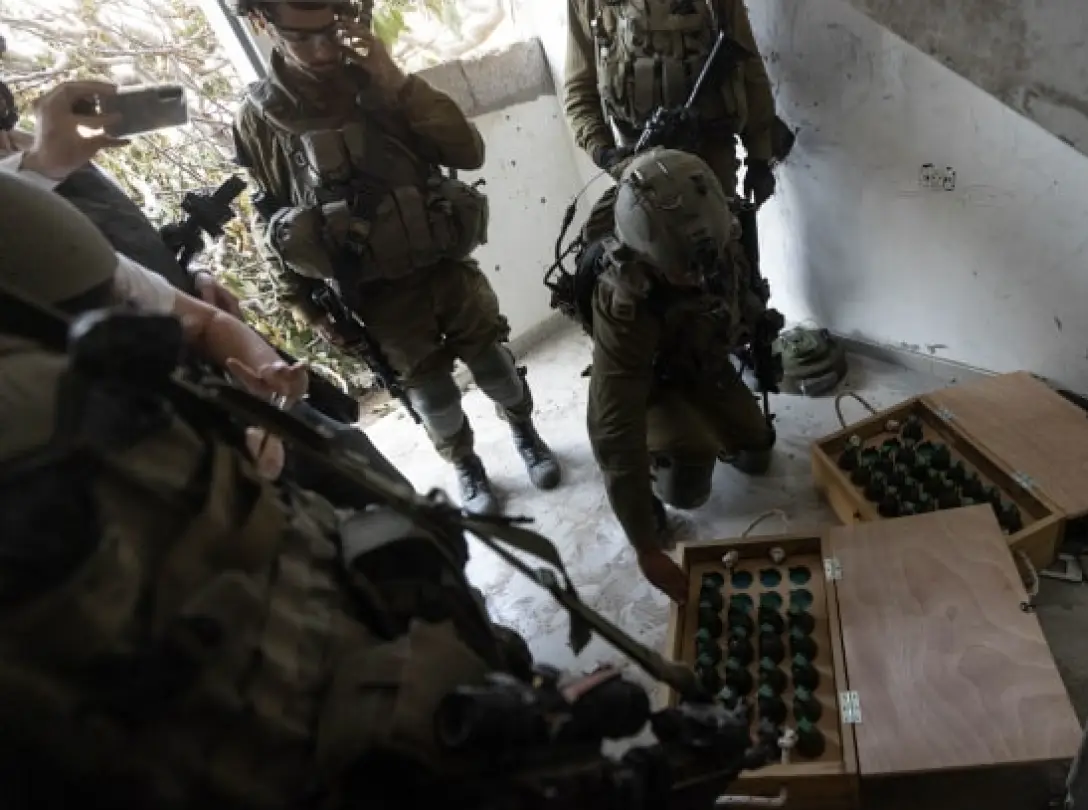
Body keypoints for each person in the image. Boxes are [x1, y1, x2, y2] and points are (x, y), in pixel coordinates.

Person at [0, 172, 765, 810]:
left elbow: (330, 604)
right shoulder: (74, 580)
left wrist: (527, 704)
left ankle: (518, 467)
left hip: (364, 643)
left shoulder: (57, 277)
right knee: (444, 415)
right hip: (328, 735)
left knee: (421, 537)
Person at [0, 76, 411, 504]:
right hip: (143, 457)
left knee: (376, 487)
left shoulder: (49, 152)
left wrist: (192, 280)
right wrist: (42, 166)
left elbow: (138, 263)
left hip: (212, 370)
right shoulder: (38, 170)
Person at [233, 0, 562, 516]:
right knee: (434, 400)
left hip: (445, 266)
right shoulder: (260, 118)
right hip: (380, 294)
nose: (322, 51)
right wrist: (307, 309)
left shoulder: (377, 80)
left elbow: (466, 151)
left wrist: (394, 79)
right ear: (261, 25)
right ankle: (466, 466)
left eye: (330, 33)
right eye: (301, 38)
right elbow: (268, 218)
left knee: (496, 368)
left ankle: (527, 435)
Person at [582, 149, 772, 603]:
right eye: (683, 270)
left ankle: (702, 419)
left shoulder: (722, 228)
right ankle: (661, 463)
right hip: (652, 381)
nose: (698, 277)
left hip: (700, 360)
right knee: (688, 483)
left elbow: (738, 296)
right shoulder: (626, 303)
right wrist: (644, 546)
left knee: (757, 452)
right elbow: (612, 423)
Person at [563, 0, 778, 202]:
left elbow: (749, 66)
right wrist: (603, 153)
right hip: (640, 161)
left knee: (723, 233)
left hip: (712, 151)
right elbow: (579, 90)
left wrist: (760, 156)